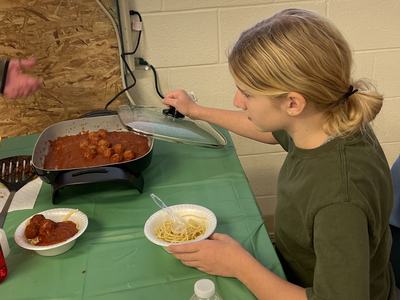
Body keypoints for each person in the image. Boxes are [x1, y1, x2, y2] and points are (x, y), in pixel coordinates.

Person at [163, 8, 396, 300]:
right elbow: (270, 130)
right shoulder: (332, 117)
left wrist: (238, 265)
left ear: (293, 103)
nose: (238, 101)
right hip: (300, 271)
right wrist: (196, 111)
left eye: (246, 94)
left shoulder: (339, 200)